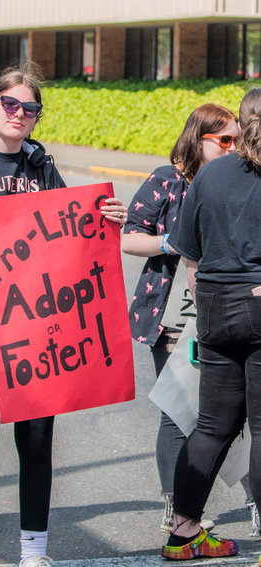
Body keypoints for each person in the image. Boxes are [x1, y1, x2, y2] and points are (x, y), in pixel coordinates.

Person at [0, 61, 127, 567]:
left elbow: (72, 241)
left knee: (37, 443)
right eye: (11, 105)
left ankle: (33, 553)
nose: (20, 114)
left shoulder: (41, 168)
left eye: (30, 109)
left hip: (38, 335)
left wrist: (107, 220)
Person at [121, 103, 240, 534]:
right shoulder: (168, 180)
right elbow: (130, 239)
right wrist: (172, 243)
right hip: (172, 311)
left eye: (238, 139)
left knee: (232, 413)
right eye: (224, 140)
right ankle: (175, 507)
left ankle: (239, 504)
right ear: (199, 139)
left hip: (225, 307)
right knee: (177, 412)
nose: (233, 148)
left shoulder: (238, 179)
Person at [160, 88, 261, 562]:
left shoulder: (212, 174)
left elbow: (188, 249)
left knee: (212, 427)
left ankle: (182, 534)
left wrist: (206, 299)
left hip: (216, 307)